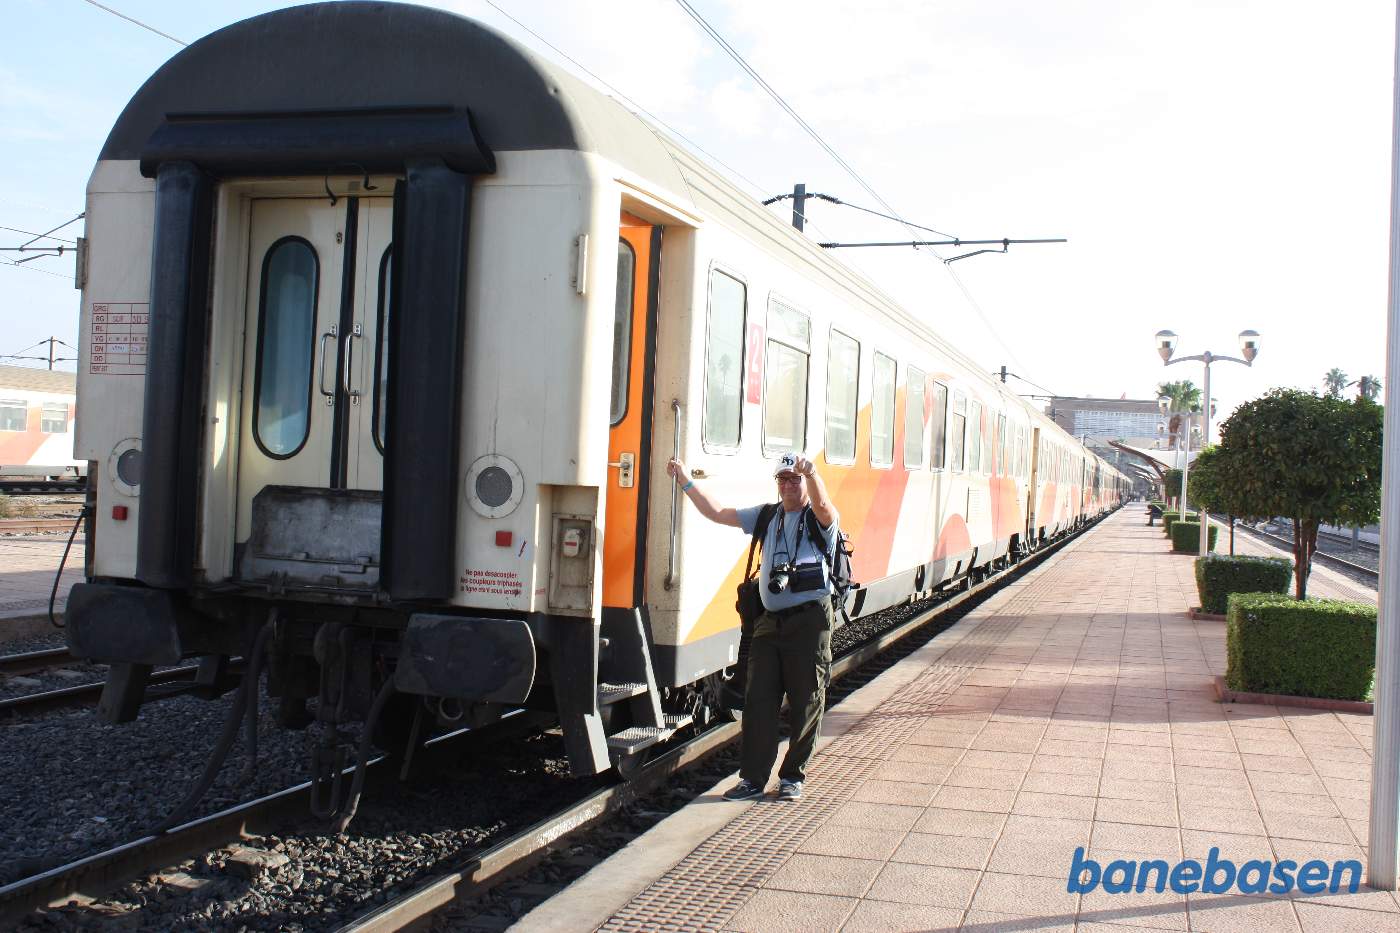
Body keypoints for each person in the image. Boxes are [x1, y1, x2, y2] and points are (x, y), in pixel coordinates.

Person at [666, 451, 840, 802]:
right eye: (783, 479)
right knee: (758, 701)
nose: (789, 485)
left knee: (806, 700)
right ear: (777, 484)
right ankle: (752, 780)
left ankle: (793, 777)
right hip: (769, 623)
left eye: (795, 479)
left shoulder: (819, 519)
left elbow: (824, 506)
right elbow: (717, 513)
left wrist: (814, 475)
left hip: (810, 622)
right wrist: (685, 480)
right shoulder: (766, 516)